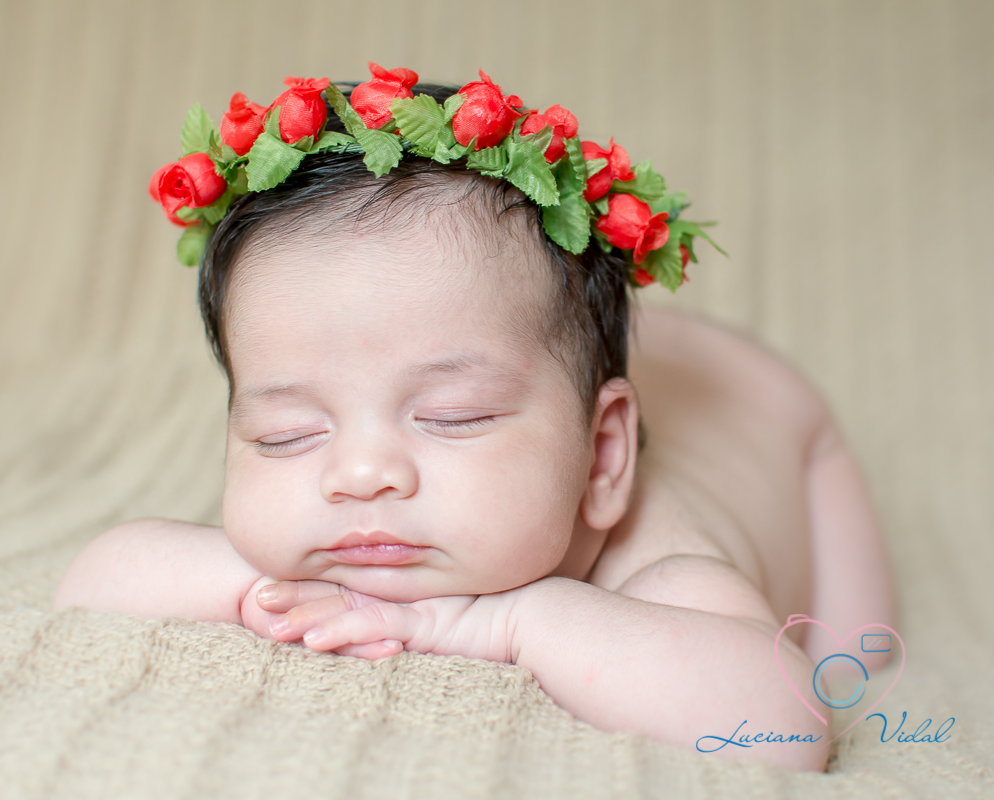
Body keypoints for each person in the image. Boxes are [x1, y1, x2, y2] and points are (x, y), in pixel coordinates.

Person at [53, 65, 894, 771]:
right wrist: (263, 585)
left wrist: (494, 620)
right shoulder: (342, 514)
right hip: (569, 357)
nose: (357, 474)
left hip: (776, 417)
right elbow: (97, 579)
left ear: (604, 457)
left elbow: (784, 729)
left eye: (452, 417)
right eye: (288, 434)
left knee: (863, 653)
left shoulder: (667, 571)